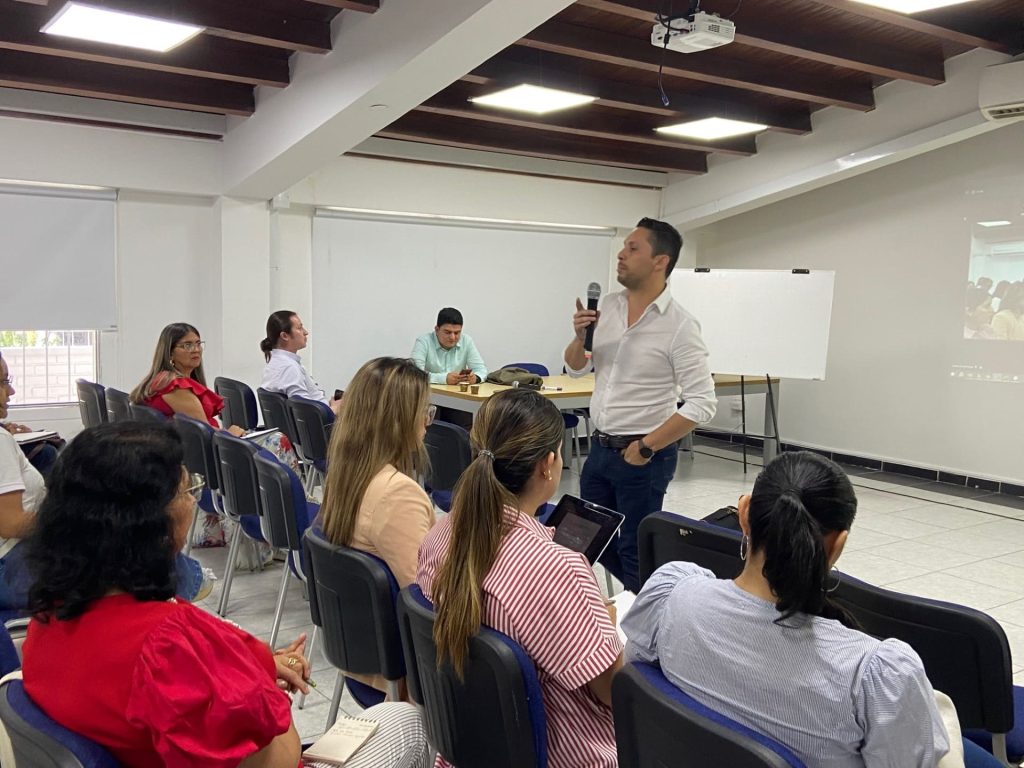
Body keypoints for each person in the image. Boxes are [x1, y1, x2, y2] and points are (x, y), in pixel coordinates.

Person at [21, 421, 430, 768]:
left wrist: (252, 666)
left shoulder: (51, 612)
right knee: (407, 721)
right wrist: (259, 693)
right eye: (187, 491)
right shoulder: (166, 647)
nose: (193, 501)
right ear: (149, 523)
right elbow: (279, 758)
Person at [622, 451, 950, 768]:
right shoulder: (871, 676)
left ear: (744, 513)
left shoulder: (671, 596)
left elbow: (639, 686)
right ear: (838, 544)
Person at [418, 388, 622, 768]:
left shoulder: (439, 535)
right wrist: (605, 630)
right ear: (548, 465)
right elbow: (613, 692)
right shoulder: (558, 569)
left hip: (467, 749)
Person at [565, 217, 716, 593]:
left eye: (633, 248)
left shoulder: (680, 326)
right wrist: (580, 337)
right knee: (585, 540)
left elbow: (702, 402)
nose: (621, 254)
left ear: (660, 261)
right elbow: (575, 367)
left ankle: (645, 617)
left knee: (635, 549)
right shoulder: (608, 308)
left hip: (643, 456)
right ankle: (626, 604)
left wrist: (647, 446)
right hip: (599, 449)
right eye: (623, 247)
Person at [319, 357, 435, 589]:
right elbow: (426, 594)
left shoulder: (347, 474)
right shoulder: (398, 494)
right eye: (424, 410)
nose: (427, 420)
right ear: (399, 421)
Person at [129, 322, 245, 435]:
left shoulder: (164, 378)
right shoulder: (175, 386)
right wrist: (230, 434)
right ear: (170, 353)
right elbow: (204, 433)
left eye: (198, 344)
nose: (196, 350)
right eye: (187, 345)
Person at [0, 351, 42, 609]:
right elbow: (11, 523)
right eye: (3, 382)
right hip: (8, 566)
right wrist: (69, 518)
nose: (11, 391)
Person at [259, 310, 342, 415]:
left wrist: (327, 406)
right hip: (323, 422)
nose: (305, 332)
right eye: (299, 328)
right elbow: (305, 413)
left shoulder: (275, 363)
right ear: (285, 336)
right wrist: (334, 409)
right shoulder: (289, 368)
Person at [410, 307, 487, 386]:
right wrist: (443, 379)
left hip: (457, 393)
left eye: (457, 333)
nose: (452, 337)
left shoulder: (466, 341)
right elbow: (413, 374)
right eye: (447, 332)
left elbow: (481, 370)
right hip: (429, 392)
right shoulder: (423, 341)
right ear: (437, 330)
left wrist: (476, 378)